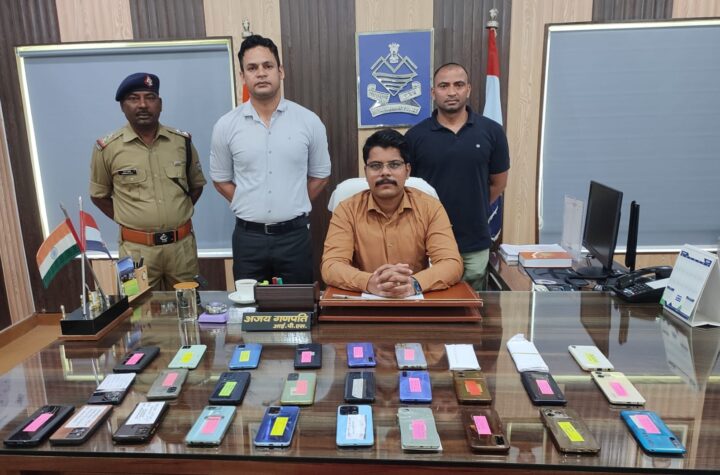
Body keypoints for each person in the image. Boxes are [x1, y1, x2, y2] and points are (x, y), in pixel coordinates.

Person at [210, 35, 331, 284]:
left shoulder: (309, 121)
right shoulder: (226, 125)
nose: (261, 73)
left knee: (298, 305)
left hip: (294, 237)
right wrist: (247, 200)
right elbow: (220, 180)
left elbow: (321, 175)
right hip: (248, 239)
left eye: (268, 66)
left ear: (280, 71)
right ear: (243, 76)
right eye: (252, 68)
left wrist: (292, 201)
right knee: (248, 305)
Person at [90, 72, 206, 290]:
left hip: (182, 250)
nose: (143, 105)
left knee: (189, 303)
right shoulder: (107, 148)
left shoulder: (181, 142)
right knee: (135, 305)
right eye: (134, 99)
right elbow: (98, 196)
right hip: (134, 251)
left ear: (160, 104)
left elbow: (196, 186)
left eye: (150, 98)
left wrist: (176, 212)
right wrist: (131, 218)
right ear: (122, 106)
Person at [405, 62, 510, 291]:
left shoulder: (492, 131)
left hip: (474, 239)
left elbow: (498, 183)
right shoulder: (414, 136)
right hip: (427, 242)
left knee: (472, 302)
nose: (451, 92)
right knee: (430, 302)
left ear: (468, 89)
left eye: (458, 85)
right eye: (444, 86)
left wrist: (474, 205)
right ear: (433, 93)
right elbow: (408, 189)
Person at [321, 129, 463, 298]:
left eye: (394, 165)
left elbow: (451, 263)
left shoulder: (430, 208)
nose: (385, 172)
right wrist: (369, 282)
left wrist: (414, 283)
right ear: (366, 172)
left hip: (413, 301)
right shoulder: (347, 210)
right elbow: (331, 265)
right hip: (364, 302)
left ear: (407, 170)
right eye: (376, 166)